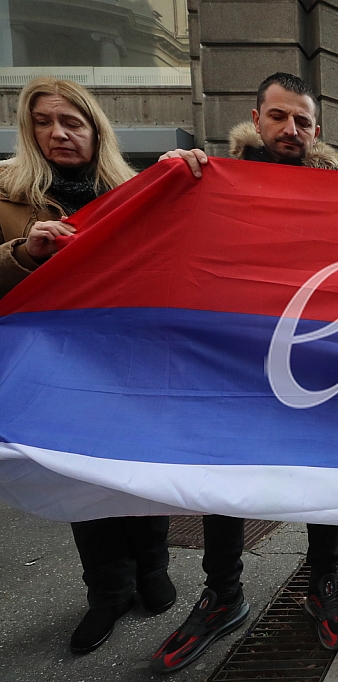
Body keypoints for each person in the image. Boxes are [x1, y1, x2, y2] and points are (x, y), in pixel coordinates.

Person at [151, 73, 338, 674]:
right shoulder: (212, 181)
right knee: (227, 470)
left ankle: (322, 580)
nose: (291, 129)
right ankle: (224, 593)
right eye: (279, 116)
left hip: (312, 353)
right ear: (256, 118)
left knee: (321, 470)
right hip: (236, 357)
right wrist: (168, 182)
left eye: (302, 121)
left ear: (317, 130)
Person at [0, 76, 175, 655]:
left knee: (142, 467)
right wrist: (24, 254)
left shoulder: (134, 190)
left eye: (71, 122)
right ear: (28, 131)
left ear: (96, 130)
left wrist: (184, 178)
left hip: (131, 362)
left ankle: (153, 570)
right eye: (44, 122)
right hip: (59, 369)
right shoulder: (7, 195)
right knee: (84, 476)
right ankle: (108, 591)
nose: (59, 133)